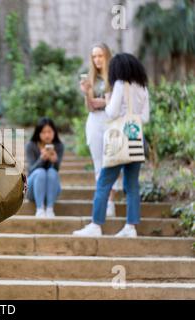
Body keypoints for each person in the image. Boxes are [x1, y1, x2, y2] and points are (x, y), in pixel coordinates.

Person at [73, 53, 150, 238]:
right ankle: (130, 227)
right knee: (131, 186)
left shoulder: (120, 84)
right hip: (135, 139)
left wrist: (108, 99)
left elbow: (112, 112)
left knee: (104, 182)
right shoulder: (143, 87)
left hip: (118, 141)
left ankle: (96, 225)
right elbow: (145, 117)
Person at [80, 43, 119, 217]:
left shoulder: (115, 77)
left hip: (112, 121)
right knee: (98, 163)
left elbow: (117, 103)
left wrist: (104, 103)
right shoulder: (91, 79)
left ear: (107, 56)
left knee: (112, 161)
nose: (97, 60)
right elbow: (90, 108)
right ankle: (103, 201)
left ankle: (111, 201)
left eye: (100, 56)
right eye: (94, 56)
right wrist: (87, 93)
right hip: (95, 122)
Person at [26, 118, 65, 218]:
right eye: (43, 132)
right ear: (38, 133)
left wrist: (55, 161)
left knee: (52, 172)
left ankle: (49, 208)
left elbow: (56, 170)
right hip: (32, 190)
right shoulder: (31, 146)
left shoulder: (59, 146)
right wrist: (42, 159)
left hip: (51, 191)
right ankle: (39, 209)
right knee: (40, 172)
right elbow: (30, 170)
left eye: (49, 131)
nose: (47, 135)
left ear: (54, 132)